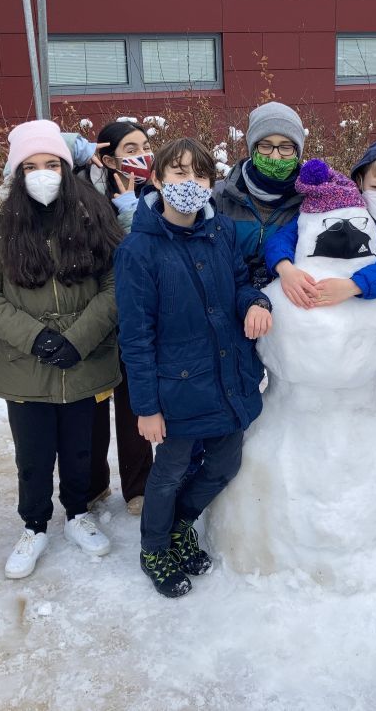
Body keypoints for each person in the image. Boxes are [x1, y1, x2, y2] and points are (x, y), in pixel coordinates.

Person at [115, 137, 273, 598]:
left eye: (200, 174)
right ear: (159, 181)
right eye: (179, 173)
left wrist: (256, 302)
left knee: (225, 463)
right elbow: (136, 338)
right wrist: (146, 407)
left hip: (228, 379)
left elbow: (242, 282)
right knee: (168, 472)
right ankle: (154, 547)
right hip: (176, 390)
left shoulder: (221, 231)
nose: (190, 183)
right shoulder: (137, 252)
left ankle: (181, 524)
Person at [0, 119, 123, 580]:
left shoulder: (94, 212)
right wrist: (34, 336)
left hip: (85, 358)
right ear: (16, 172)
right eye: (30, 166)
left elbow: (116, 282)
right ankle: (34, 525)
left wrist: (79, 338)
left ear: (65, 167)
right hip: (26, 363)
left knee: (82, 449)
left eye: (51, 163)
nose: (42, 173)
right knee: (32, 455)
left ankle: (77, 513)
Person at [76, 121, 156, 516]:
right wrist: (77, 148)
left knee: (133, 404)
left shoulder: (154, 195)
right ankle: (93, 485)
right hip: (94, 316)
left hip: (136, 319)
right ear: (107, 158)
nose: (141, 154)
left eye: (145, 145)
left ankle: (138, 486)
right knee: (91, 408)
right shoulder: (83, 195)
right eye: (130, 148)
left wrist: (134, 211)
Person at [264, 139, 376, 318]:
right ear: (361, 181)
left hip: (372, 309)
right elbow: (285, 235)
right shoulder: (339, 202)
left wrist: (354, 285)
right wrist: (285, 268)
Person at [213, 101, 306, 288]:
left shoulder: (309, 202)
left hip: (284, 308)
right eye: (266, 146)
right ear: (253, 149)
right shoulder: (220, 196)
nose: (275, 156)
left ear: (297, 152)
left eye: (286, 147)